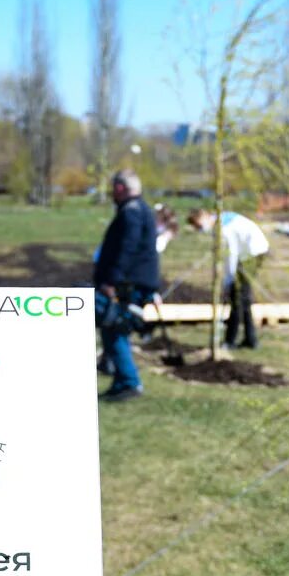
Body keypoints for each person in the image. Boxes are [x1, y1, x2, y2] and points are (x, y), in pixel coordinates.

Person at [93, 169, 160, 402]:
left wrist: (112, 280)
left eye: (114, 188)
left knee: (114, 328)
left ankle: (129, 382)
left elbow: (127, 248)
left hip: (128, 285)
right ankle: (123, 380)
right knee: (114, 331)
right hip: (134, 283)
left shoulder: (131, 213)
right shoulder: (140, 210)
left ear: (120, 188)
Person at [186, 206, 270, 349]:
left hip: (253, 254)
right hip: (246, 255)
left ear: (204, 217)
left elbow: (231, 254)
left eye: (199, 225)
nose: (200, 229)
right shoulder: (219, 221)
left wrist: (228, 280)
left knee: (237, 297)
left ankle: (230, 341)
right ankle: (251, 340)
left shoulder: (224, 229)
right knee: (243, 298)